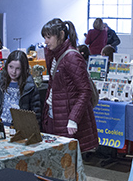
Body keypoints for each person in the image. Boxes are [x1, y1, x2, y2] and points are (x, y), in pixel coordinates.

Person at [41, 18, 99, 153]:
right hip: (53, 114)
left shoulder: (72, 57)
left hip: (66, 119)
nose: (46, 41)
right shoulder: (53, 55)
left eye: (49, 37)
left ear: (61, 35)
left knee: (67, 162)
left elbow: (85, 90)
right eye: (44, 37)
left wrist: (73, 118)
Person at [0, 50, 41, 126]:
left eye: (18, 68)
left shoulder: (30, 86)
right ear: (6, 65)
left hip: (19, 130)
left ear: (24, 69)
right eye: (11, 67)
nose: (13, 72)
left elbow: (36, 115)